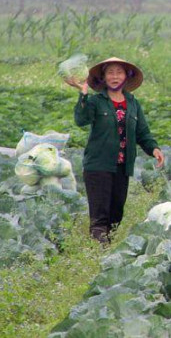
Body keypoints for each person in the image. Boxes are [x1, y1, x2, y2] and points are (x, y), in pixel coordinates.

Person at [65, 57, 164, 243]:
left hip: (122, 166)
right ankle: (98, 253)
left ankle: (107, 251)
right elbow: (81, 120)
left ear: (127, 76)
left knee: (116, 214)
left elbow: (143, 132)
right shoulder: (96, 101)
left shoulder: (133, 103)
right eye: (110, 72)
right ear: (103, 77)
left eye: (119, 72)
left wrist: (154, 149)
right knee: (100, 216)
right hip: (98, 165)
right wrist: (83, 93)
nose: (115, 76)